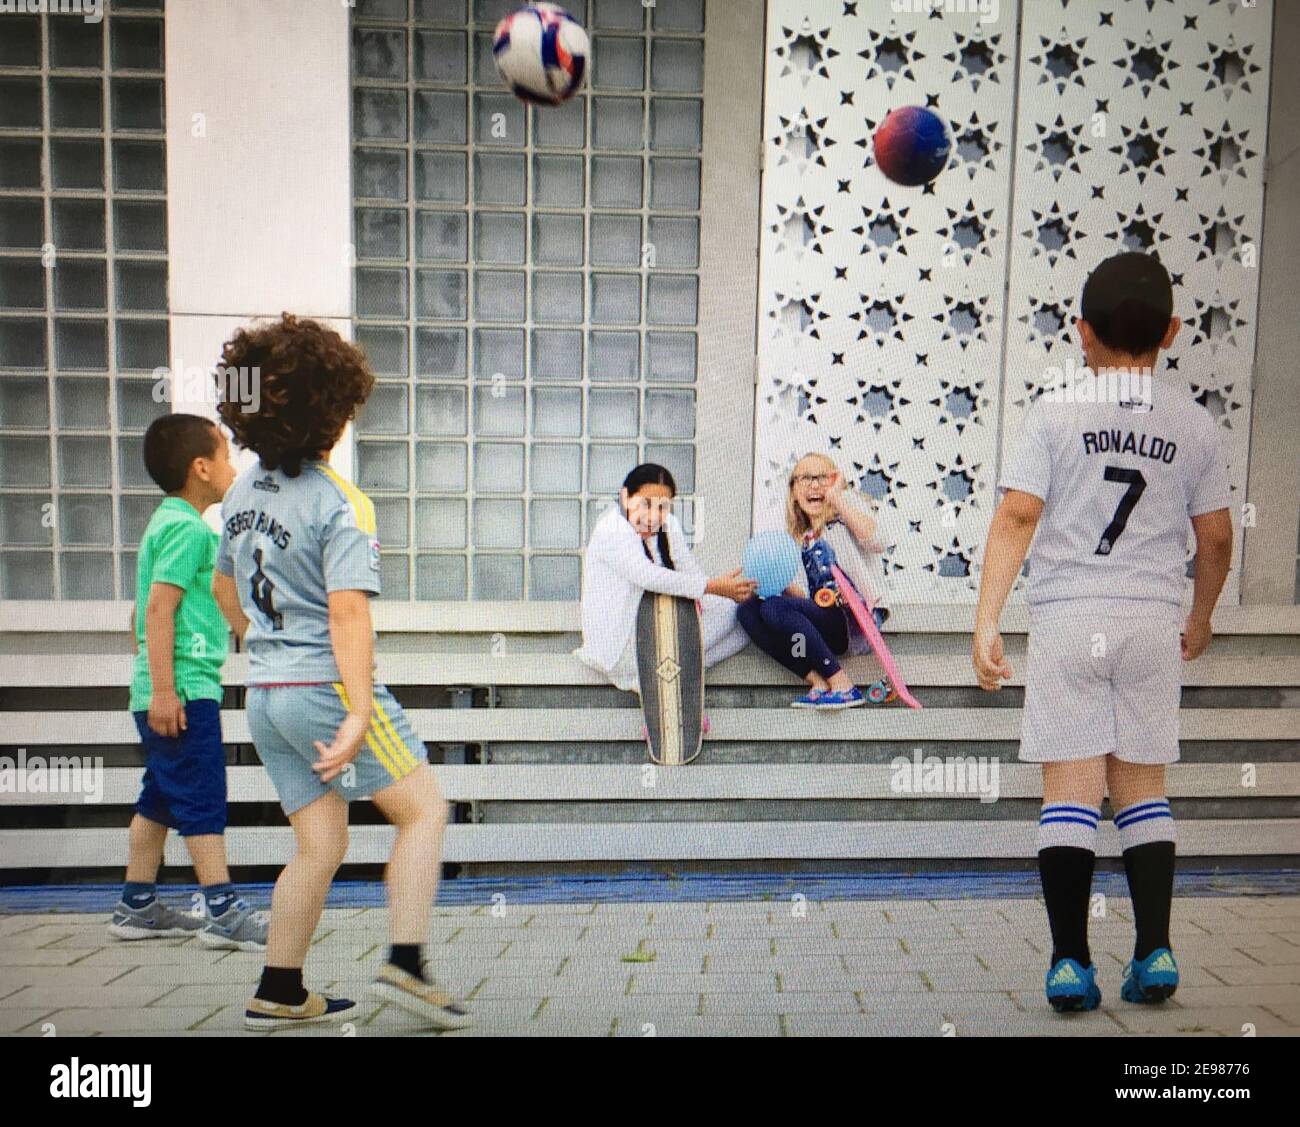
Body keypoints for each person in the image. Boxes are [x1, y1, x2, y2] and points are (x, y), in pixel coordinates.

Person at [972, 252, 1233, 1012]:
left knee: (1071, 797)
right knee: (1145, 789)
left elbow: (1017, 515)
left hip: (1068, 618)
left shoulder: (1054, 412)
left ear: (1080, 332)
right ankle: (1154, 949)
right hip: (1151, 621)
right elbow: (1215, 537)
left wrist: (987, 619)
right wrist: (1201, 615)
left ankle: (1068, 964)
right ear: (1174, 331)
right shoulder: (1192, 422)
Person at [211, 313, 470, 1031]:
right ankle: (408, 962)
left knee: (320, 843)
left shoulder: (241, 494)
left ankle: (281, 985)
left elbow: (223, 588)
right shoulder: (340, 501)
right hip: (327, 689)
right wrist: (358, 710)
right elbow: (349, 615)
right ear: (333, 410)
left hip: (267, 694)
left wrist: (266, 646)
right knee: (424, 810)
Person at [110, 413, 267, 952]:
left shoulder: (167, 521)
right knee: (202, 797)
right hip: (181, 692)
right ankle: (223, 910)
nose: (232, 466)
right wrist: (165, 690)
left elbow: (142, 610)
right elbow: (158, 610)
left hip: (169, 688)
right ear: (201, 467)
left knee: (160, 798)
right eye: (225, 455)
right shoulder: (185, 528)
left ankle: (136, 904)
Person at [576, 463, 754, 694]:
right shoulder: (612, 529)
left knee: (743, 618)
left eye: (662, 507)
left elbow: (689, 571)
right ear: (625, 497)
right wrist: (712, 587)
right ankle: (663, 678)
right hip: (620, 646)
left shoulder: (669, 526)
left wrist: (727, 593)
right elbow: (648, 576)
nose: (653, 516)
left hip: (657, 632)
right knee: (727, 612)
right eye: (645, 504)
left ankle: (677, 676)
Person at [738, 453, 889, 709]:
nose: (814, 485)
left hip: (852, 620)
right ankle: (818, 680)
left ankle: (842, 684)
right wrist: (768, 582)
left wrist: (837, 499)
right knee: (749, 609)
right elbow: (803, 600)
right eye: (806, 478)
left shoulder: (843, 516)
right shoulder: (798, 539)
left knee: (774, 607)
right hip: (820, 624)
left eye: (822, 478)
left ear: (835, 482)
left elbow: (877, 541)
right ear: (794, 491)